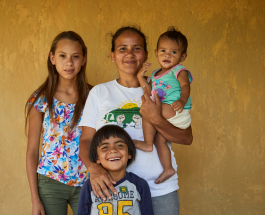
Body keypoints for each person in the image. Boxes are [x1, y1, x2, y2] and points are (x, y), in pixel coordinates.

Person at [78, 26, 193, 215]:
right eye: (122, 48)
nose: (130, 54)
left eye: (137, 48)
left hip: (159, 188)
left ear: (147, 54)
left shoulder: (161, 89)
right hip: (115, 190)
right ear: (113, 55)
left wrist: (156, 119)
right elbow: (86, 140)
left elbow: (186, 138)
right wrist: (93, 169)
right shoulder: (99, 92)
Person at [25, 31, 91, 215]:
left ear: (84, 59)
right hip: (50, 184)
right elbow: (31, 152)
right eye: (62, 56)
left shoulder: (93, 97)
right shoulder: (41, 99)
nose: (69, 62)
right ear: (52, 58)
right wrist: (35, 199)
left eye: (75, 57)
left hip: (87, 183)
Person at [134, 26, 193, 183]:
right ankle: (168, 168)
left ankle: (147, 143)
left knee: (149, 107)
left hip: (175, 109)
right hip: (166, 110)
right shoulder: (155, 74)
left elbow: (185, 86)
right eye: (163, 51)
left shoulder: (179, 70)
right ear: (156, 52)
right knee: (160, 140)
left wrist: (181, 100)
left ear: (183, 56)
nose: (167, 55)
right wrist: (140, 77)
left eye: (174, 52)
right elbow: (149, 89)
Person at [77, 125, 154, 215]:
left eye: (119, 145)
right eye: (105, 147)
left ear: (129, 153)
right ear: (97, 157)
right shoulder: (90, 185)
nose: (113, 150)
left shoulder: (140, 184)